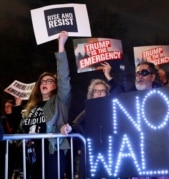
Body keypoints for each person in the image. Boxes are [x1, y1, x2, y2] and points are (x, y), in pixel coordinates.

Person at [18, 31, 72, 179]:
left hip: (51, 151)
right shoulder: (31, 106)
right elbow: (20, 128)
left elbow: (64, 78)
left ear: (56, 85)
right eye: (42, 81)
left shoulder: (59, 102)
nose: (45, 83)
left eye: (49, 81)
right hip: (32, 153)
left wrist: (61, 45)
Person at [70, 78, 111, 179]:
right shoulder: (87, 110)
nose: (99, 93)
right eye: (96, 91)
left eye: (102, 91)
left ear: (106, 94)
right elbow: (75, 124)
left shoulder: (112, 108)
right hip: (91, 151)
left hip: (109, 151)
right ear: (92, 94)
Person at [0, 97, 23, 178]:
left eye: (9, 106)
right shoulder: (2, 119)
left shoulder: (18, 118)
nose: (7, 108)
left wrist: (18, 106)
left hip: (12, 151)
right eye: (5, 106)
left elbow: (16, 122)